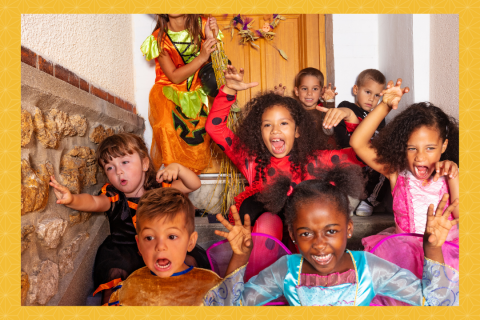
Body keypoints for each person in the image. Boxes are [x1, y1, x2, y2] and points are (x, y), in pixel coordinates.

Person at [205, 164, 459, 306]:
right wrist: (239, 257)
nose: (319, 245)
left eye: (331, 231)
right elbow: (229, 309)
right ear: (292, 234)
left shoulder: (370, 269)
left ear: (349, 228)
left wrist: (432, 249)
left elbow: (434, 302)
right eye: (306, 233)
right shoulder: (285, 270)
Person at [205, 64, 364, 240]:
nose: (275, 130)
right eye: (267, 125)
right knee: (265, 218)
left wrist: (350, 116)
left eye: (283, 123)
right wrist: (229, 90)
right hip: (261, 243)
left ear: (297, 131)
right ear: (260, 133)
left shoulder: (315, 161)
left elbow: (361, 154)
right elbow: (214, 128)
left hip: (302, 245)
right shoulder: (251, 160)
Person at [49, 133, 206, 305]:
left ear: (145, 163)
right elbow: (93, 202)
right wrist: (72, 199)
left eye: (124, 162)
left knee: (188, 261)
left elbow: (193, 184)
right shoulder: (113, 196)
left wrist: (178, 168)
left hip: (160, 245)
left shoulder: (161, 188)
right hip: (125, 249)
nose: (118, 171)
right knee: (115, 271)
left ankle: (183, 301)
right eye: (110, 167)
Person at [350, 79, 459, 305]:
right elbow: (358, 143)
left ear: (444, 146)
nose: (420, 157)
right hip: (401, 251)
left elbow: (461, 214)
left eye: (430, 148)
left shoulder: (450, 175)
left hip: (444, 250)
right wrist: (385, 105)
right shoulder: (396, 173)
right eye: (412, 148)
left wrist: (455, 175)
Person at [105, 188, 246, 306]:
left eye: (172, 237)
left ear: (191, 242)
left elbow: (229, 304)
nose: (160, 247)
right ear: (139, 245)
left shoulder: (208, 285)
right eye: (149, 238)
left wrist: (241, 255)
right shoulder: (128, 289)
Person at [141, 14, 220, 174]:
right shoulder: (158, 38)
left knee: (197, 143)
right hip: (169, 94)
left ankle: (186, 185)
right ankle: (170, 188)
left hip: (197, 93)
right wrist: (202, 57)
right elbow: (174, 77)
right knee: (168, 133)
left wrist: (213, 37)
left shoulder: (203, 25)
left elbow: (219, 63)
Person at [334, 69, 388, 216]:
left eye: (377, 95)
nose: (371, 99)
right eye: (368, 92)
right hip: (350, 158)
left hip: (368, 162)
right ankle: (346, 202)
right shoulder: (347, 106)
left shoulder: (378, 116)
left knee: (385, 167)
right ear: (356, 89)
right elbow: (341, 134)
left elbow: (379, 140)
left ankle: (370, 201)